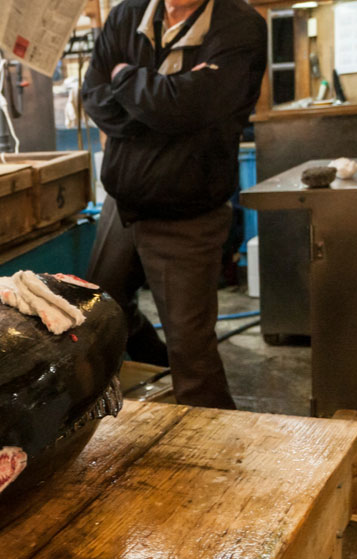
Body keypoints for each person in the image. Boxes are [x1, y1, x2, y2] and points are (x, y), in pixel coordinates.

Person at [80, 0, 266, 408]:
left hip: (188, 214)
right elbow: (94, 96)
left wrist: (125, 78)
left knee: (192, 351)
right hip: (122, 204)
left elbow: (191, 107)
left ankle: (216, 459)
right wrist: (160, 106)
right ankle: (159, 366)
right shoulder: (127, 16)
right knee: (101, 310)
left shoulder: (240, 27)